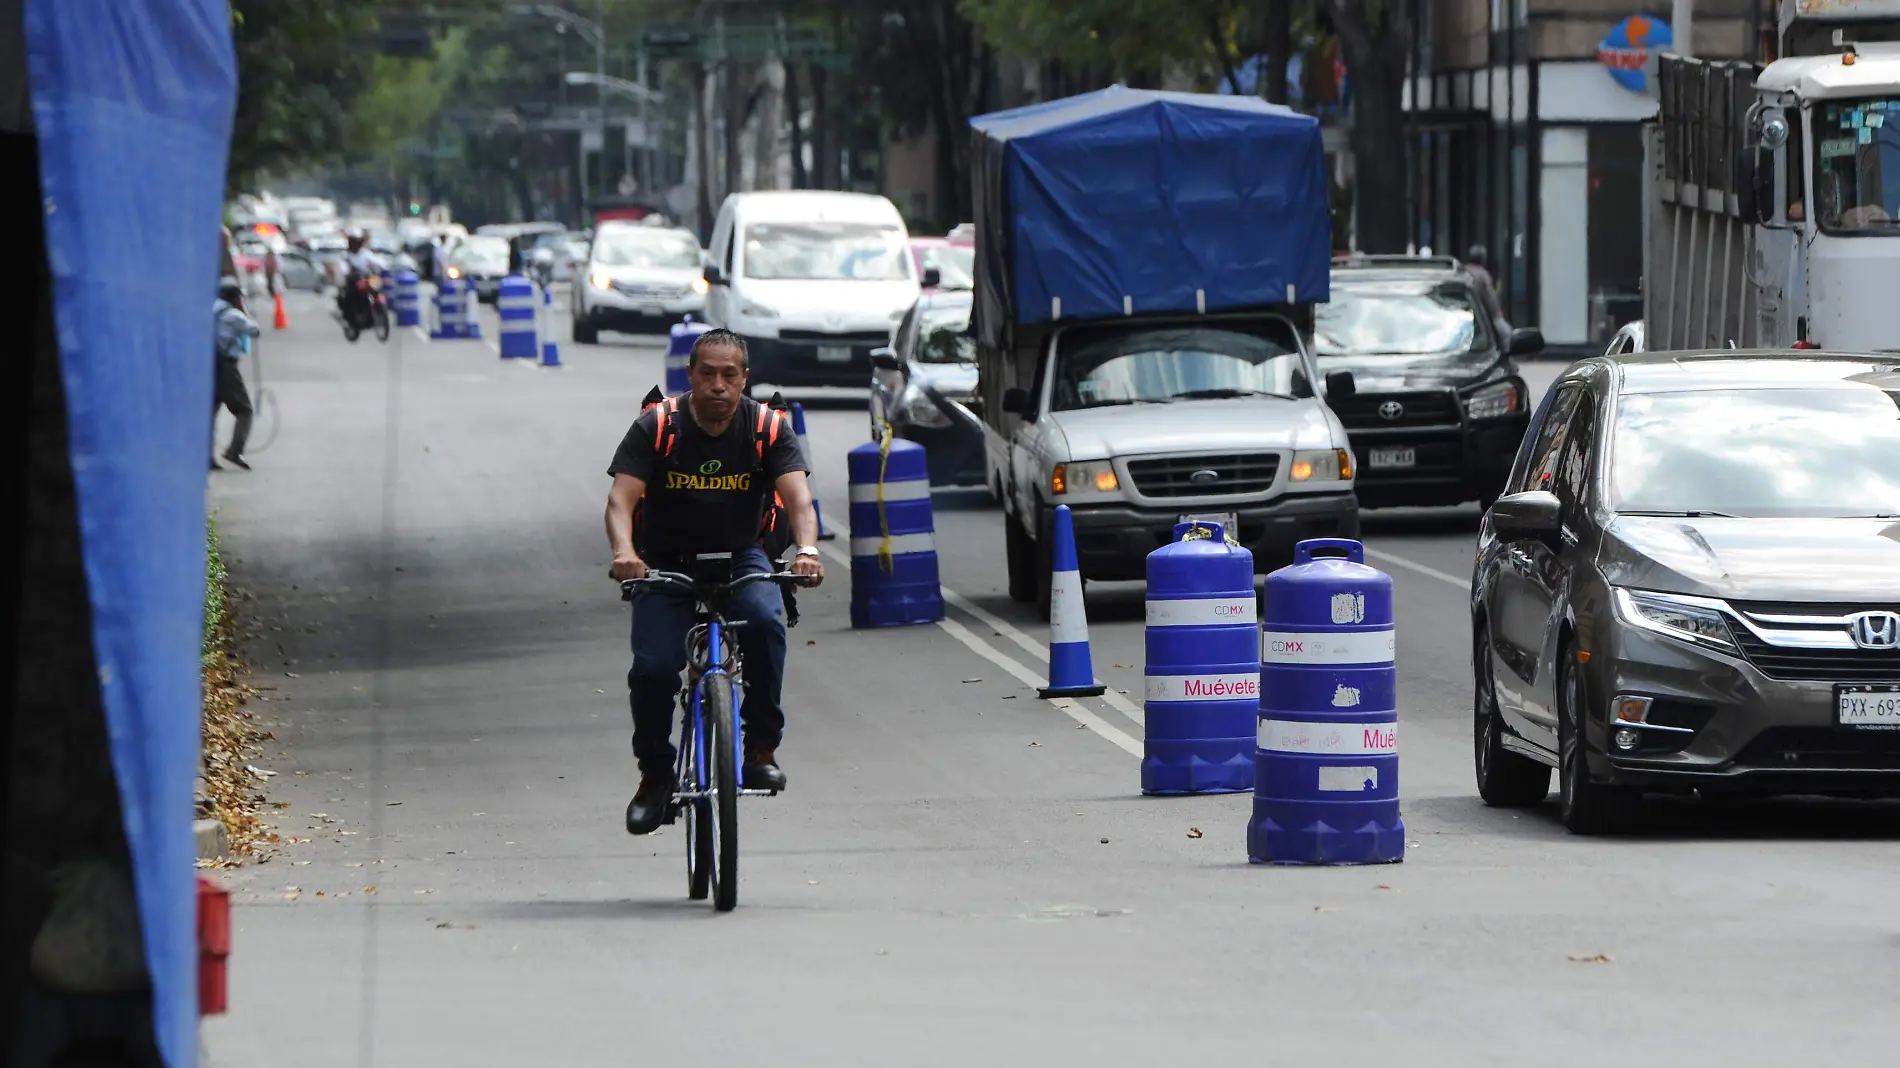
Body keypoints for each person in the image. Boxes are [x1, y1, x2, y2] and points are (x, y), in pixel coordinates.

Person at [603, 329, 824, 835]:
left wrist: (807, 551)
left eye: (730, 375)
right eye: (708, 374)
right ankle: (655, 774)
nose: (719, 386)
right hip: (665, 561)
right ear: (691, 377)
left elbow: (799, 500)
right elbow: (621, 500)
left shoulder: (766, 428)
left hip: (743, 553)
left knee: (766, 622)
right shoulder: (658, 426)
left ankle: (760, 747)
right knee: (655, 669)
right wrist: (625, 553)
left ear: (745, 379)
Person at [212, 279, 259, 470]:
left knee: (210, 413)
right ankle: (234, 450)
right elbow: (254, 331)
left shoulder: (209, 309)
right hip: (227, 368)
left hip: (209, 366)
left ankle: (206, 457)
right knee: (244, 410)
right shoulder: (233, 315)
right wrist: (243, 310)